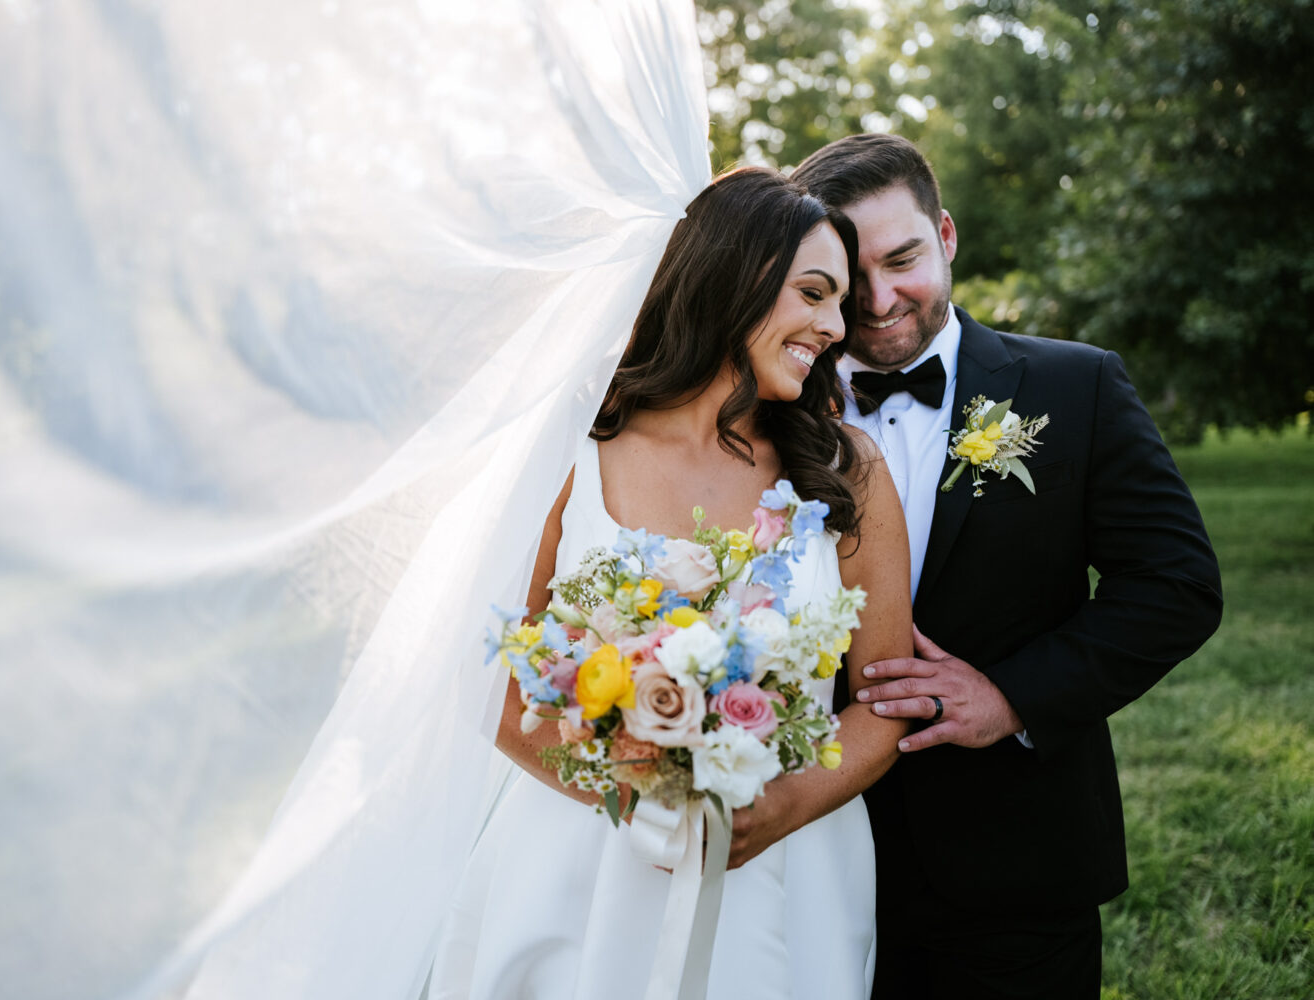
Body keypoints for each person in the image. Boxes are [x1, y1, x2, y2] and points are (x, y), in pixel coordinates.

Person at [429, 166, 912, 999]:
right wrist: (636, 789)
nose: (835, 326)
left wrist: (782, 807)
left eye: (838, 303)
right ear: (734, 275)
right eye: (814, 292)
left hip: (785, 871)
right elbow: (487, 675)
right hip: (577, 854)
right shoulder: (571, 450)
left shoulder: (846, 470)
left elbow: (885, 698)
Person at [787, 134, 1223, 999]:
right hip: (812, 846)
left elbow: (1175, 586)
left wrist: (1013, 696)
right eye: (848, 273)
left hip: (1016, 858)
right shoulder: (770, 403)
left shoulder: (1077, 386)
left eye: (903, 258)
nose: (877, 301)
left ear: (945, 237)